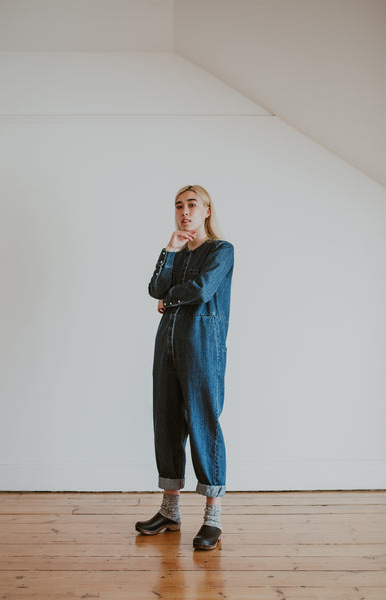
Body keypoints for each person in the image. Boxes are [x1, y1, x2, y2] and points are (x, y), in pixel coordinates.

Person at [135, 184, 234, 550]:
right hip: (168, 346)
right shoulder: (178, 251)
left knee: (203, 424)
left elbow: (202, 288)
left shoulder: (221, 251)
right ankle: (170, 511)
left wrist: (169, 298)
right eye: (179, 206)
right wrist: (170, 249)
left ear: (207, 210)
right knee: (167, 421)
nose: (185, 212)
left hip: (202, 349)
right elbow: (154, 287)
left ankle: (212, 517)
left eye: (192, 204)